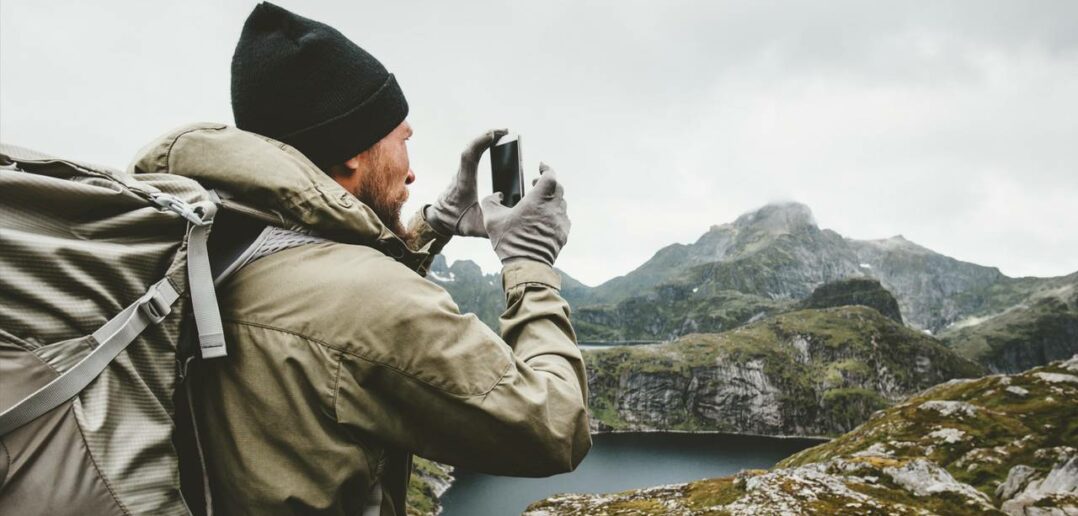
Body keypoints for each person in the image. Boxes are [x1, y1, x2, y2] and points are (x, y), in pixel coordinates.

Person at [130, 2, 591, 514]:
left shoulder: (212, 243)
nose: (412, 174)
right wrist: (529, 264)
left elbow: (331, 298)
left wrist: (432, 225)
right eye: (403, 141)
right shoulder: (365, 301)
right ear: (352, 151)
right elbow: (556, 427)